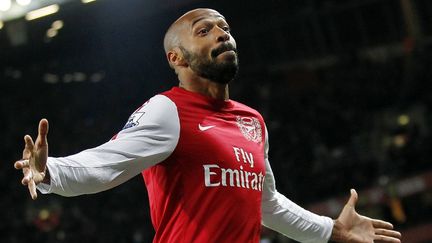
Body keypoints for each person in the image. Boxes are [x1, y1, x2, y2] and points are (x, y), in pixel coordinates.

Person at [14, 8, 402, 243]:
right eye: (204, 31)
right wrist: (50, 170)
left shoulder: (253, 121)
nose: (221, 34)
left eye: (225, 28)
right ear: (176, 57)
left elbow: (265, 203)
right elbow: (106, 164)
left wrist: (332, 230)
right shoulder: (168, 110)